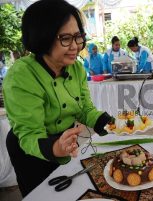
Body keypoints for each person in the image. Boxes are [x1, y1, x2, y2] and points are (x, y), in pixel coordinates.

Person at [3, 0, 112, 197]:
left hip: (66, 142)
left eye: (78, 37)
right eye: (65, 38)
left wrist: (111, 124)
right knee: (44, 195)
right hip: (32, 150)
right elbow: (29, 134)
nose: (75, 46)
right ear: (42, 37)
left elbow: (85, 109)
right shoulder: (21, 75)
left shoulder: (76, 68)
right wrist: (56, 147)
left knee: (72, 192)